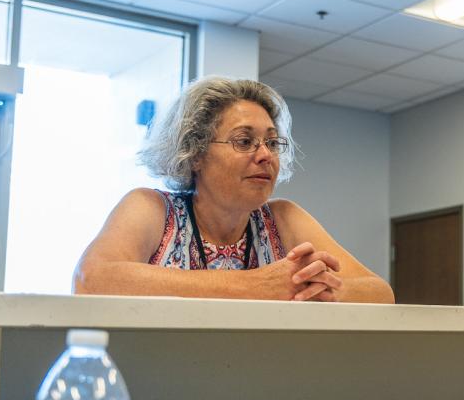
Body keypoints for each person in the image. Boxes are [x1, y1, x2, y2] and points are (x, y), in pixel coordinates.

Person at [75, 78, 393, 303]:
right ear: (195, 152)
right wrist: (254, 286)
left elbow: (379, 293)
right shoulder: (151, 208)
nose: (266, 155)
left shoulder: (283, 218)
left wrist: (323, 290)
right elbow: (91, 280)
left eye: (272, 142)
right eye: (244, 142)